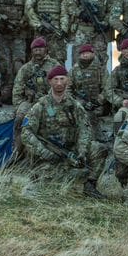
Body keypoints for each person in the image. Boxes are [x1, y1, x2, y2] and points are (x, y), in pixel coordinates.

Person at [19, 65, 96, 193]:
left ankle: (90, 183)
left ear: (68, 81)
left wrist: (82, 151)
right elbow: (26, 132)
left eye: (62, 79)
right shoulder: (40, 106)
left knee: (98, 149)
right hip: (48, 154)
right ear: (50, 82)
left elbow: (85, 129)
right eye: (55, 79)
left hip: (70, 150)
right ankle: (76, 184)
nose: (59, 83)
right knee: (49, 181)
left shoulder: (75, 105)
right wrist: (45, 152)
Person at [0, 0, 31, 98]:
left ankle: (19, 91)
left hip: (19, 33)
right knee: (4, 64)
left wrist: (21, 23)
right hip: (3, 33)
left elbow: (29, 10)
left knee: (18, 63)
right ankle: (6, 89)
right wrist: (2, 22)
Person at [25, 0, 72, 64]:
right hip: (41, 30)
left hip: (56, 30)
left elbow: (66, 10)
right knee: (38, 59)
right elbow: (28, 8)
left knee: (58, 61)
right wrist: (38, 25)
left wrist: (63, 29)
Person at [11, 37, 54, 119]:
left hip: (49, 103)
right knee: (20, 118)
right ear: (31, 51)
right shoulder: (25, 68)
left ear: (45, 50)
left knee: (52, 116)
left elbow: (63, 85)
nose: (38, 52)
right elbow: (17, 89)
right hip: (30, 102)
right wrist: (19, 106)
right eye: (35, 50)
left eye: (40, 49)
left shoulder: (54, 65)